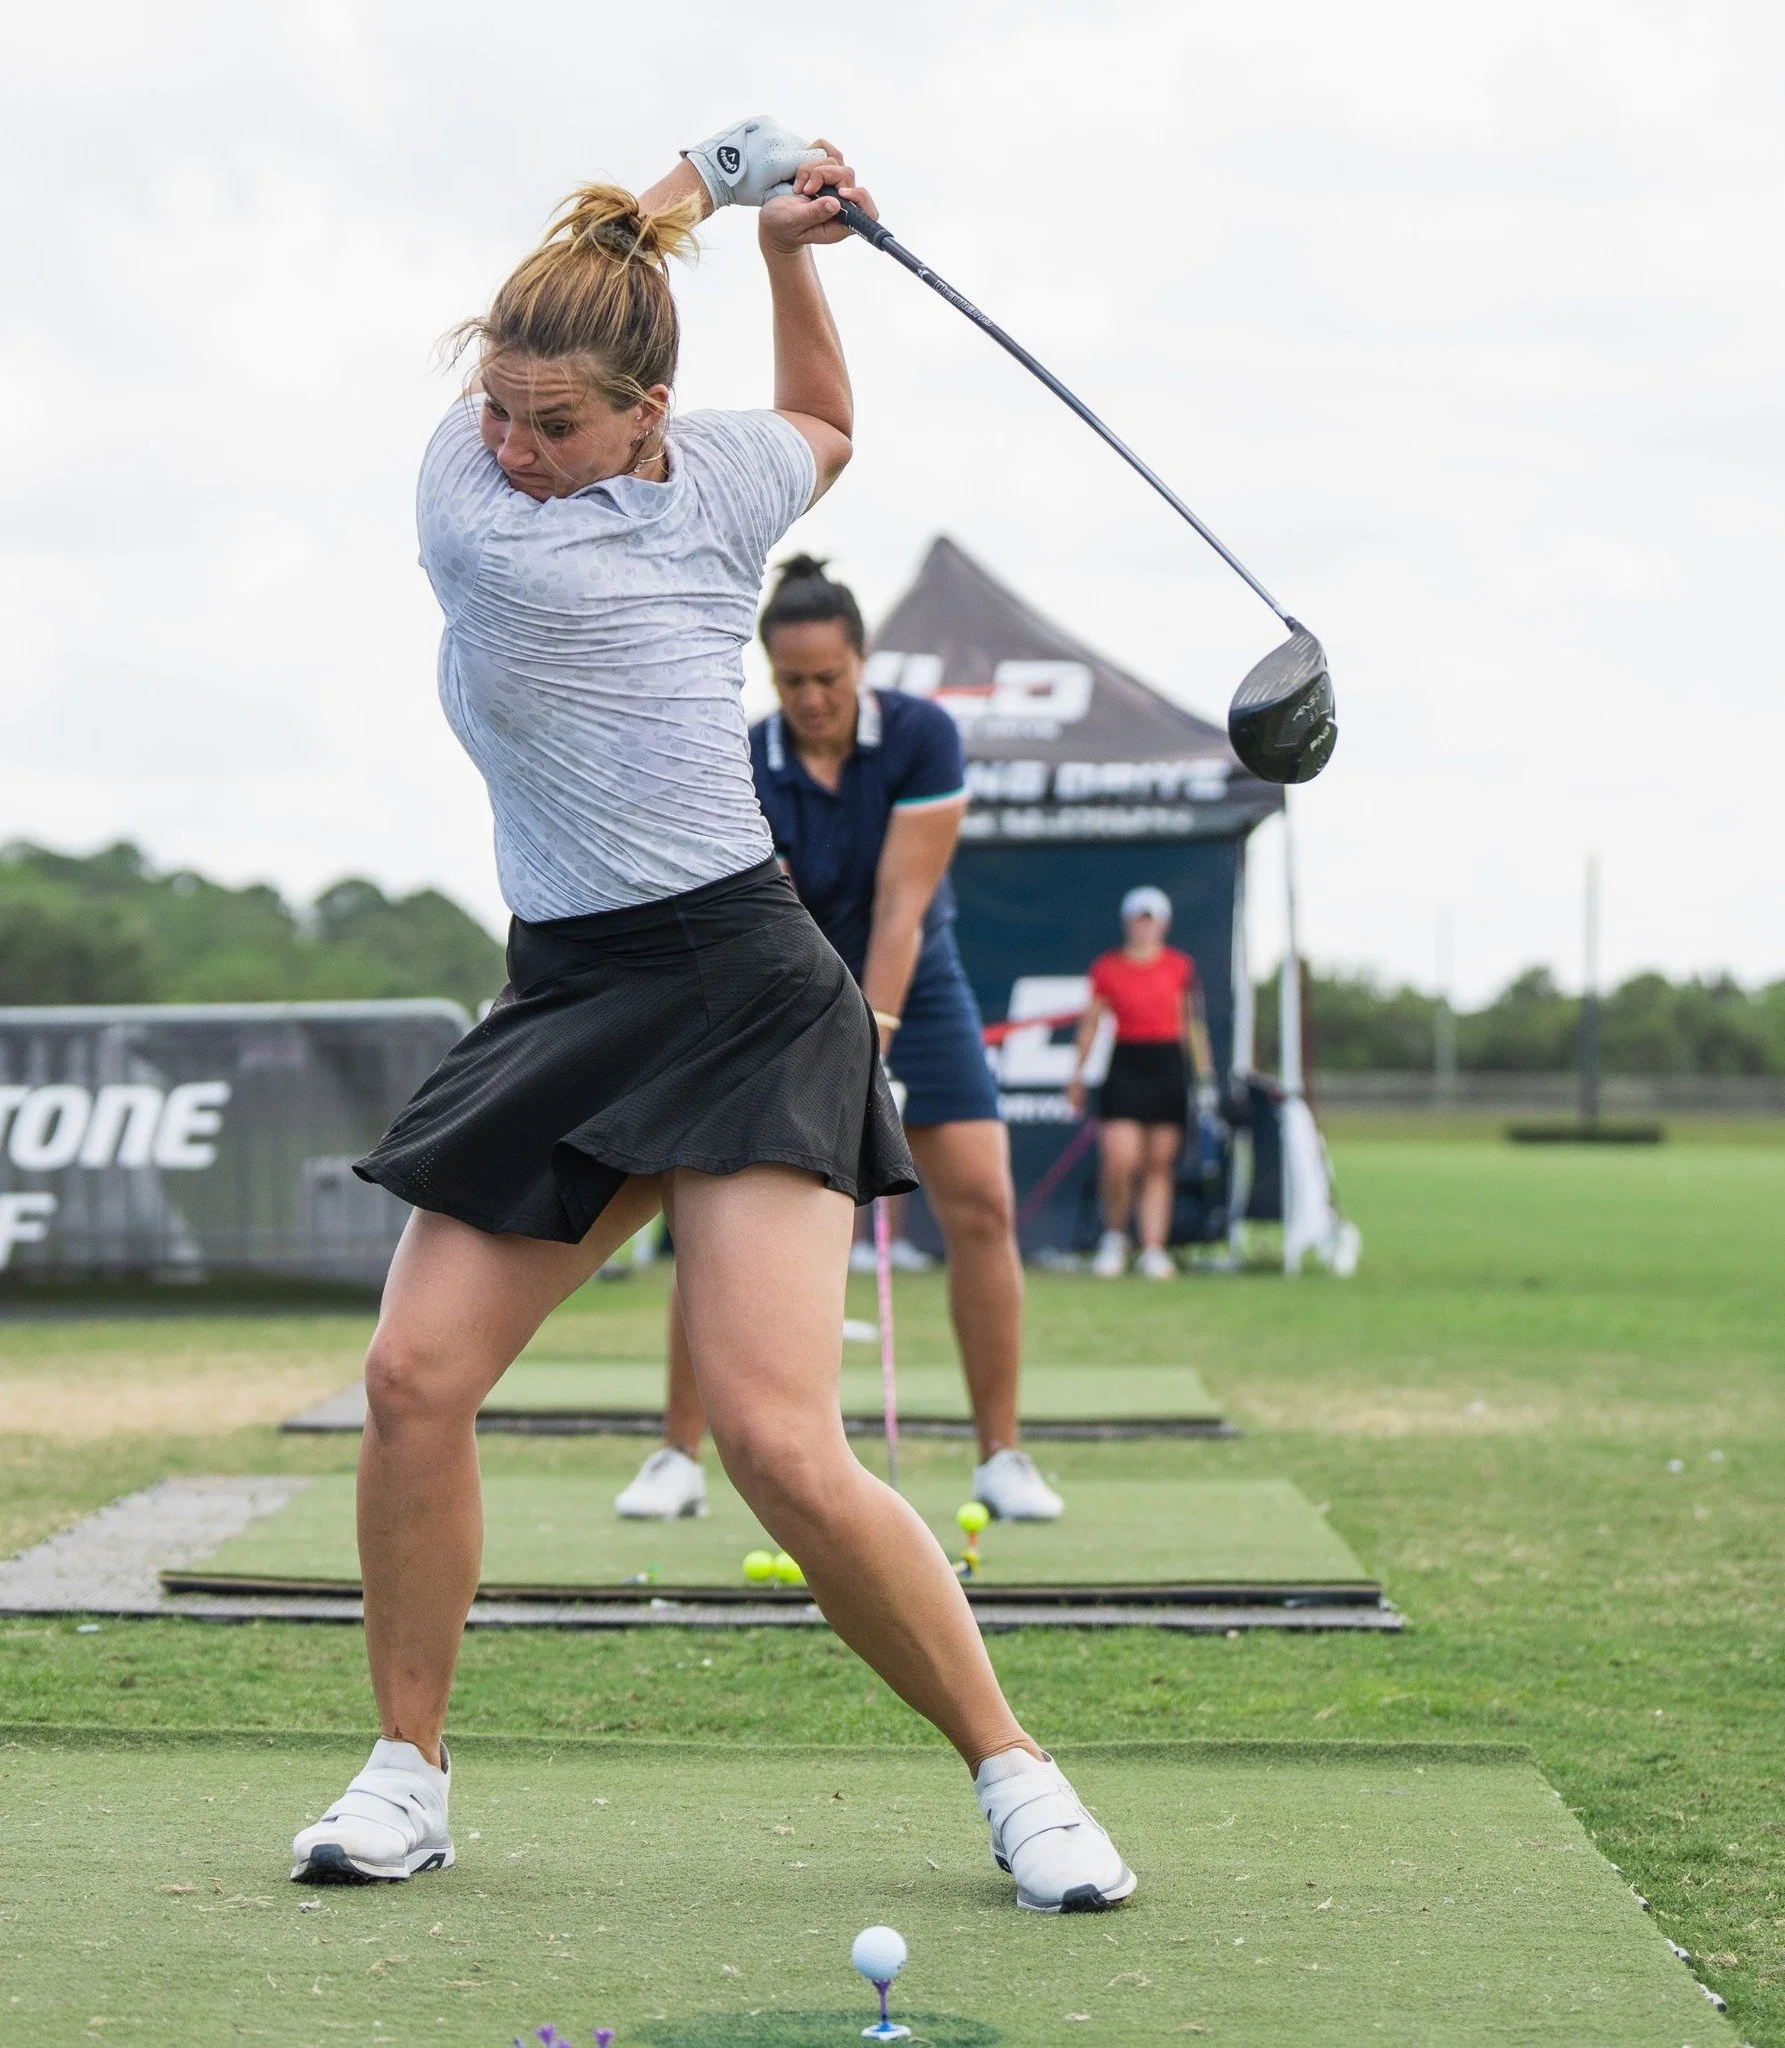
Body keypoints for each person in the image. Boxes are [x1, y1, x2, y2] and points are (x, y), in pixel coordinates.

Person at [288, 119, 1132, 1915]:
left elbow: (821, 428)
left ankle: (1019, 1772)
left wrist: (771, 243)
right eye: (501, 411)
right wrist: (717, 193)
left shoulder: (714, 485)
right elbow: (802, 423)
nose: (513, 452)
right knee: (410, 1378)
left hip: (745, 988)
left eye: (558, 425)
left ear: (652, 419)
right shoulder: (472, 507)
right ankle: (404, 1772)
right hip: (573, 984)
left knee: (774, 1440)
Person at [615, 554, 1062, 1524]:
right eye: (790, 682)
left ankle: (1002, 1455)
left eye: (829, 678)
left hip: (918, 987)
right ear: (769, 675)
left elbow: (902, 904)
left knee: (981, 1201)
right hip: (782, 988)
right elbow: (761, 910)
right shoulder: (742, 757)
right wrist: (830, 1040)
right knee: (715, 1216)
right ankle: (675, 1455)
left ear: (861, 661)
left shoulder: (921, 736)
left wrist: (877, 1038)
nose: (811, 698)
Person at [1066, 886, 1212, 1279]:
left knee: (1159, 1163)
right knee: (1119, 1158)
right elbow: (1091, 1024)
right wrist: (1077, 1075)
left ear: (1162, 924)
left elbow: (1192, 1024)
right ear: (1128, 922)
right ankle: (1114, 1238)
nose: (1144, 927)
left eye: (1151, 919)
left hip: (1167, 1065)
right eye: (1138, 919)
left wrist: (1205, 1077)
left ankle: (1152, 1248)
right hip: (1126, 1063)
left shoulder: (1179, 966)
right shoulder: (1107, 968)